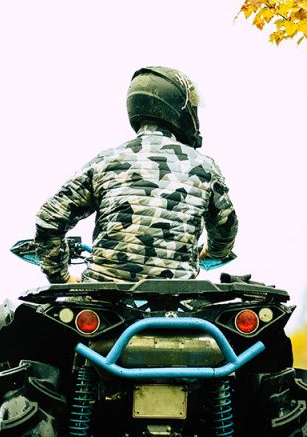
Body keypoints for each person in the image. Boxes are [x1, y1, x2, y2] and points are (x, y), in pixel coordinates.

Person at [34, 66, 238, 284]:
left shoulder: (107, 161)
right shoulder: (204, 167)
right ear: (180, 108)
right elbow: (226, 226)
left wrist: (61, 276)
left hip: (104, 295)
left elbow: (50, 218)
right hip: (177, 294)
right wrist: (213, 252)